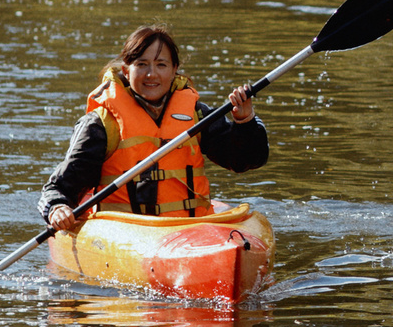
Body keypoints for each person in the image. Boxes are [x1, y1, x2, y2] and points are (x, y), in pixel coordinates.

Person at [40, 25, 268, 232]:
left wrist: (245, 120)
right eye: (142, 65)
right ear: (126, 71)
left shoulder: (197, 115)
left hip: (189, 230)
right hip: (125, 234)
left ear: (174, 70)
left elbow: (246, 160)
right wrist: (57, 208)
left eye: (161, 65)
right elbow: (60, 187)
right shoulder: (101, 124)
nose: (151, 74)